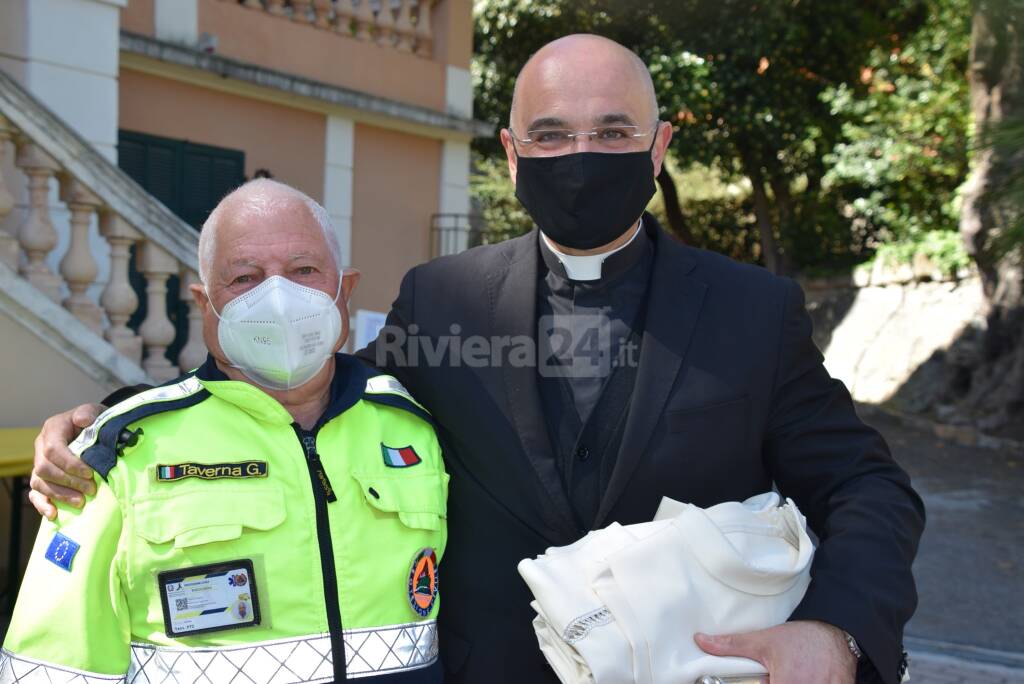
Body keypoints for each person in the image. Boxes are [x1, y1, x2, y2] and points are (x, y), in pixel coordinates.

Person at [27, 35, 924, 684]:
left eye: (613, 133)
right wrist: (109, 421)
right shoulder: (443, 297)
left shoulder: (751, 311)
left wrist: (837, 633)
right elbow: (307, 388)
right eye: (552, 133)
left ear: (659, 149)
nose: (581, 156)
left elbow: (869, 487)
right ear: (512, 151)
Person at [4, 180, 448, 682]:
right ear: (204, 303)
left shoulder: (413, 428)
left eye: (304, 271)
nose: (278, 297)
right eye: (244, 277)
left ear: (343, 289)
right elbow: (54, 667)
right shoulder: (120, 453)